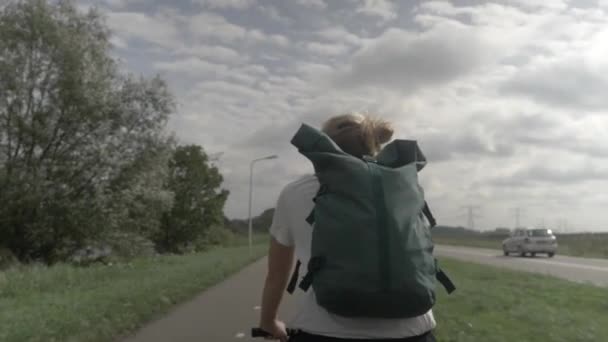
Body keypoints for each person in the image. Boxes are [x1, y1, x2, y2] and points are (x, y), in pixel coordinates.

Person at [258, 113, 437, 342]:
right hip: (413, 331)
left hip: (322, 331)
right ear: (375, 144)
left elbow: (277, 274)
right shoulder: (404, 188)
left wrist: (268, 322)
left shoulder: (295, 192)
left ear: (325, 146)